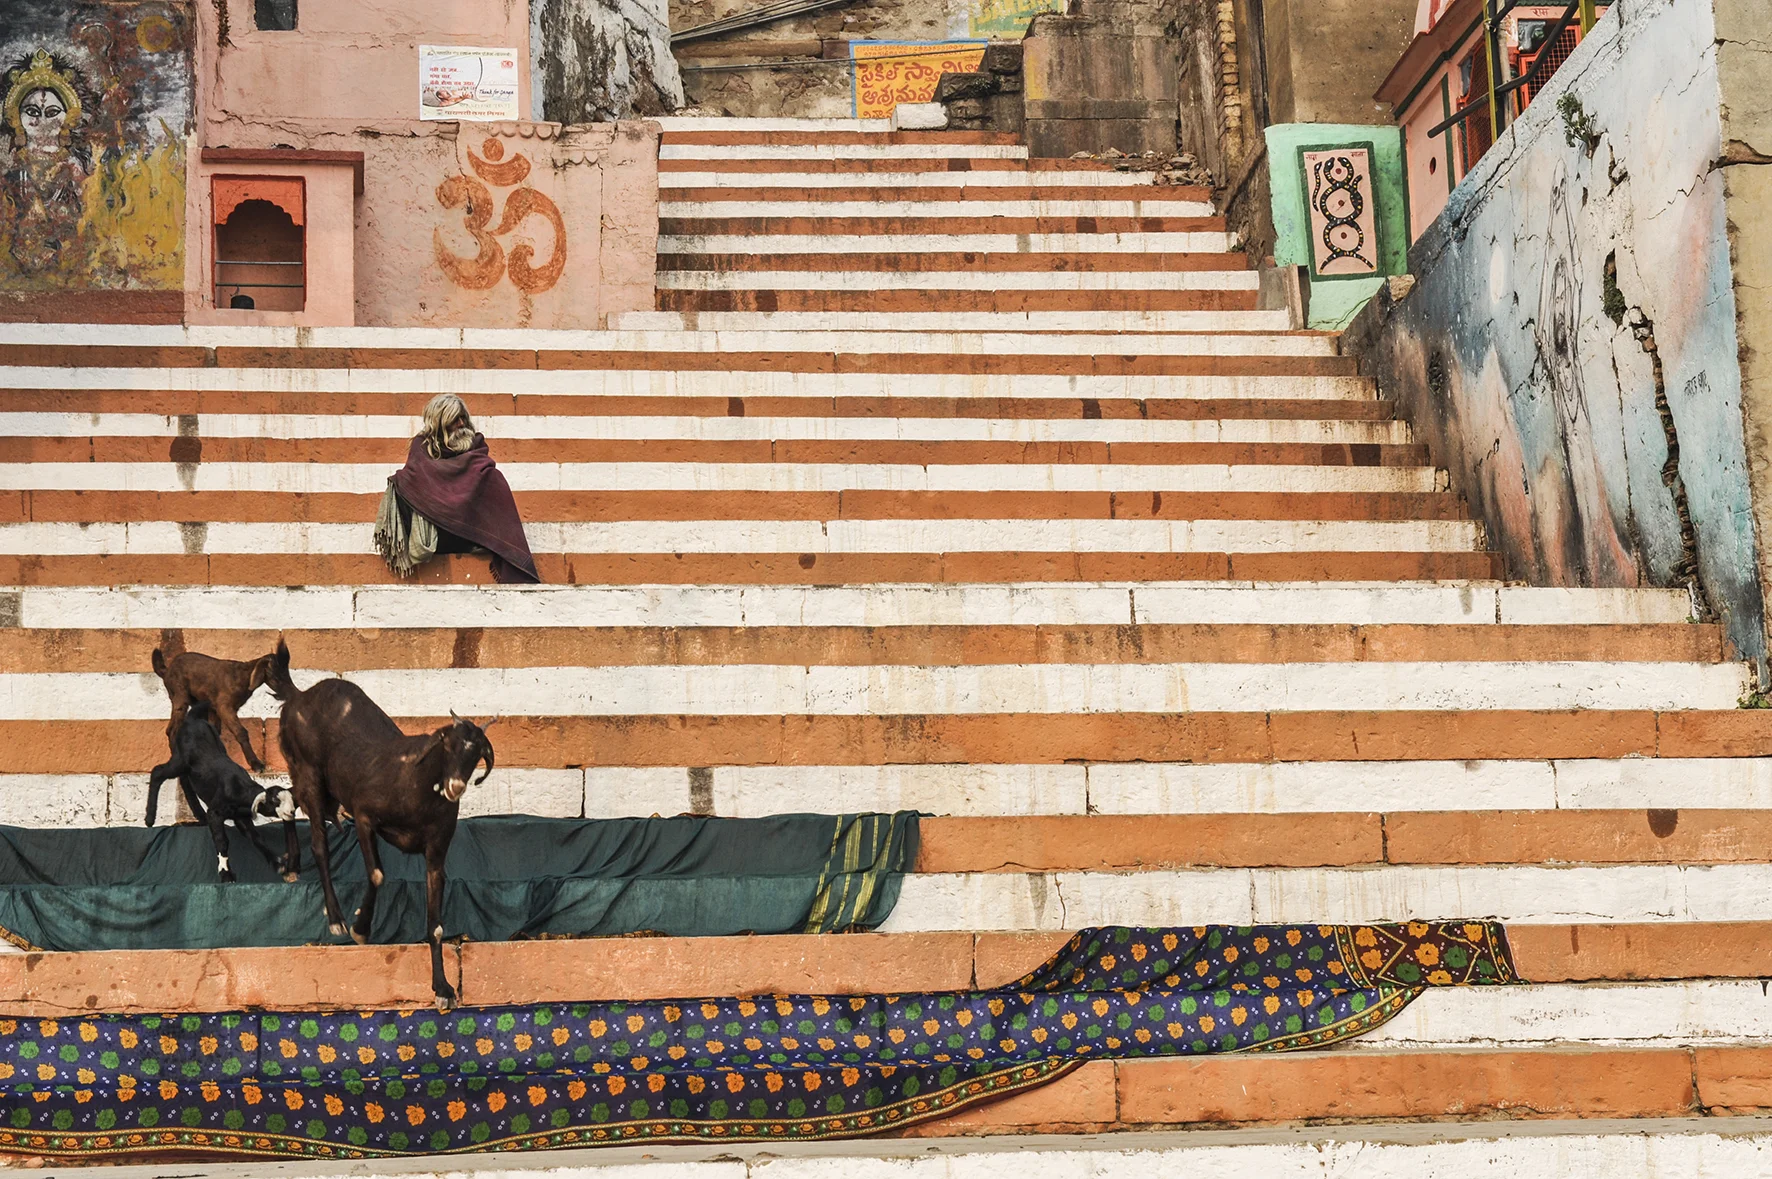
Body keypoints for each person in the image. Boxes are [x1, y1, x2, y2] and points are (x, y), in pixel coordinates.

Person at [374, 394, 540, 583]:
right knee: (401, 481)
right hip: (437, 531)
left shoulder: (476, 448)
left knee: (494, 477)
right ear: (439, 424)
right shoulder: (422, 448)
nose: (461, 424)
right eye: (455, 420)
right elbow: (415, 479)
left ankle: (479, 541)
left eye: (463, 418)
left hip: (470, 532)